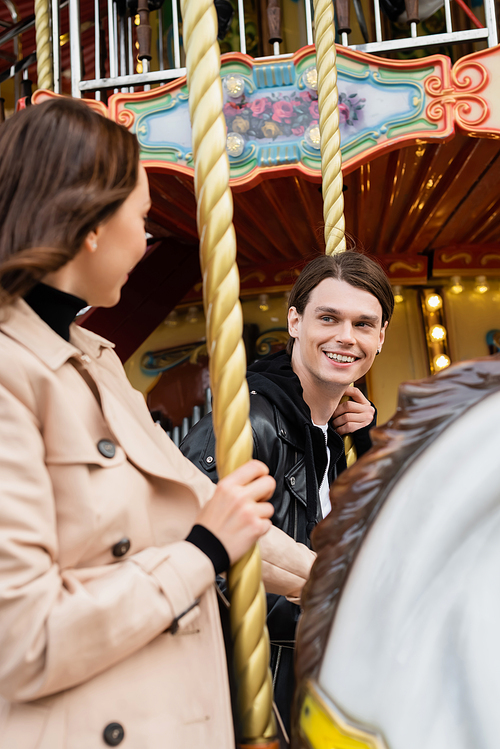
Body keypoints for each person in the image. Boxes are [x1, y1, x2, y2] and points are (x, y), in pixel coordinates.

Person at [0, 97, 315, 748]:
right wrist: (200, 554)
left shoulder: (97, 361)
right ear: (90, 223)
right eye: (139, 219)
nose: (145, 242)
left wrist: (345, 576)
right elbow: (21, 638)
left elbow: (209, 504)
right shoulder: (11, 375)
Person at [181, 252, 395, 733]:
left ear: (380, 337)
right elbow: (200, 558)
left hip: (305, 685)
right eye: (328, 317)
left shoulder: (334, 430)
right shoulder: (248, 424)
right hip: (250, 693)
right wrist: (331, 621)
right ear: (294, 321)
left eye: (364, 324)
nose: (346, 336)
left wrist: (366, 440)